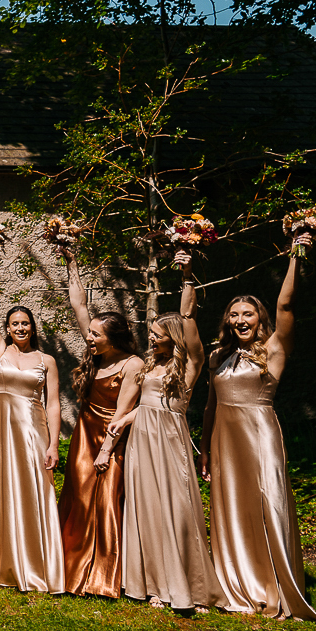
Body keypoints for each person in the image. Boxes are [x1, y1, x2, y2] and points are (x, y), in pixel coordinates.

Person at [200, 245, 316, 622]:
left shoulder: (272, 348)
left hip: (260, 435)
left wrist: (296, 255)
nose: (241, 320)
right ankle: (239, 582)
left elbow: (286, 306)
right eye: (234, 314)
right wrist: (204, 449)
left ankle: (276, 584)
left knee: (269, 505)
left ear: (259, 318)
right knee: (233, 510)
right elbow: (209, 407)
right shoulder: (217, 356)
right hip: (224, 440)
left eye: (248, 313)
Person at [111, 251, 222, 611]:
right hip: (142, 442)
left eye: (158, 335)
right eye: (152, 333)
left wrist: (187, 276)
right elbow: (144, 407)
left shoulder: (188, 366)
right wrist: (124, 420)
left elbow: (189, 322)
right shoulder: (147, 366)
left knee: (179, 509)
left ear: (173, 338)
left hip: (170, 442)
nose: (152, 339)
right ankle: (154, 584)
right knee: (147, 509)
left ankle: (190, 584)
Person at [61, 251, 145, 598]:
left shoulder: (133, 364)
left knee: (108, 500)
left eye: (96, 334)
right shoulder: (96, 353)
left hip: (115, 437)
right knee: (78, 496)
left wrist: (106, 452)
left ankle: (104, 576)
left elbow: (123, 415)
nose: (89, 338)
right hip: (85, 432)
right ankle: (68, 565)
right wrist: (71, 263)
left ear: (113, 337)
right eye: (90, 333)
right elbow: (79, 305)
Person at [0, 260, 65, 593]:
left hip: (33, 433)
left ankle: (39, 564)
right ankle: (3, 563)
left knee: (34, 493)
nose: (20, 328)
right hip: (2, 435)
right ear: (8, 327)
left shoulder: (47, 361)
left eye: (25, 323)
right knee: (2, 492)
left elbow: (54, 403)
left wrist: (54, 444)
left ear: (33, 327)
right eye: (14, 323)